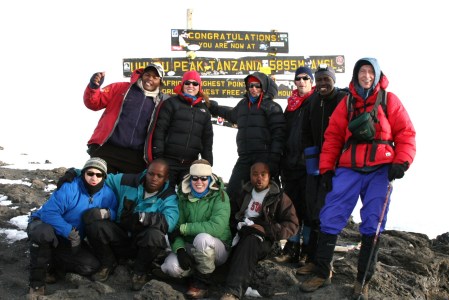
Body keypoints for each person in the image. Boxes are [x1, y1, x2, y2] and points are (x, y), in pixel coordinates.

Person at [299, 58, 416, 299]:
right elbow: (332, 137)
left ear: (377, 75)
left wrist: (402, 161)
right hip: (349, 167)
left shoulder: (389, 100)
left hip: (381, 169)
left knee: (373, 222)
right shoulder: (347, 102)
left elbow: (406, 132)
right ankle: (323, 272)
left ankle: (362, 280)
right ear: (355, 75)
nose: (366, 75)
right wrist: (327, 168)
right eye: (362, 71)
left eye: (370, 71)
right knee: (330, 215)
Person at [57, 159, 179, 291]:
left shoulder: (169, 196)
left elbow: (170, 222)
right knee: (95, 224)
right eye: (151, 174)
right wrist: (73, 172)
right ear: (146, 172)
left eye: (159, 176)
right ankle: (108, 263)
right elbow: (98, 174)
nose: (154, 178)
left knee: (155, 235)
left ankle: (140, 271)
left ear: (166, 178)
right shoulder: (127, 181)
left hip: (142, 243)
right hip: (120, 236)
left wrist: (143, 218)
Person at [26, 158, 117, 299]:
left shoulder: (107, 194)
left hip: (68, 237)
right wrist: (69, 231)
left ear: (104, 177)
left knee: (90, 266)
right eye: (90, 173)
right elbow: (49, 213)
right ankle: (37, 283)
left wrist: (107, 213)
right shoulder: (70, 187)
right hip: (45, 224)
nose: (94, 178)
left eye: (99, 175)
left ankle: (50, 261)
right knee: (43, 233)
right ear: (83, 173)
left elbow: (115, 211)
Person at [219, 162, 299, 300]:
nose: (259, 178)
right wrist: (238, 225)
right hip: (241, 231)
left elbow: (292, 224)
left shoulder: (278, 197)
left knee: (250, 242)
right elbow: (231, 215)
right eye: (255, 174)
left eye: (263, 174)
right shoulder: (244, 192)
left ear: (269, 176)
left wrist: (267, 229)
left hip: (263, 238)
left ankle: (233, 292)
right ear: (250, 175)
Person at [296, 65, 348, 276]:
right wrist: (310, 155)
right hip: (316, 164)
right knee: (312, 210)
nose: (323, 84)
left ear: (333, 80)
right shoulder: (313, 101)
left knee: (327, 212)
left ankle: (323, 263)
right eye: (320, 80)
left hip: (337, 165)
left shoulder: (343, 100)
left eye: (327, 79)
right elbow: (306, 130)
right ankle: (313, 258)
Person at [157, 159, 232, 299]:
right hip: (191, 246)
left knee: (202, 239)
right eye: (195, 178)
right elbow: (176, 229)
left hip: (217, 248)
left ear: (209, 178)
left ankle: (203, 282)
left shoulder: (220, 196)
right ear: (190, 178)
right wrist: (180, 250)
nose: (199, 182)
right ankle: (194, 273)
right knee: (170, 267)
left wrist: (185, 229)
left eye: (204, 178)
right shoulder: (183, 196)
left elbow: (216, 227)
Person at [209, 72, 286, 204]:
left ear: (264, 87)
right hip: (245, 157)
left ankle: (269, 223)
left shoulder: (272, 107)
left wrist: (273, 160)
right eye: (250, 86)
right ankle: (233, 222)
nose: (253, 89)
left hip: (264, 158)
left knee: (268, 195)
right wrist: (212, 107)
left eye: (257, 86)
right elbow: (231, 114)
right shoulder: (244, 104)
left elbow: (279, 135)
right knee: (233, 191)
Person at [84, 63, 169, 174]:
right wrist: (93, 87)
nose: (150, 79)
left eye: (155, 77)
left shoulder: (163, 102)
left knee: (130, 190)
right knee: (97, 186)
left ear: (160, 81)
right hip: (107, 149)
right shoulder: (121, 88)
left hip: (136, 156)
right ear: (142, 75)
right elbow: (94, 103)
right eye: (147, 75)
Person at [275, 66, 315, 265]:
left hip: (309, 166)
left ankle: (307, 250)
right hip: (290, 165)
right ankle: (291, 248)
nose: (301, 82)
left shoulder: (317, 102)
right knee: (292, 208)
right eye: (297, 78)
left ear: (312, 81)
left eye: (305, 78)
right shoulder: (290, 106)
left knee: (308, 209)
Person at [152, 70, 214, 191]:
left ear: (199, 87)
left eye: (195, 84)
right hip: (168, 161)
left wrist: (208, 163)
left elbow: (207, 140)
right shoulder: (171, 103)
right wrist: (158, 157)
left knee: (186, 197)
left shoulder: (204, 110)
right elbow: (160, 130)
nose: (191, 86)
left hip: (190, 164)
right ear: (182, 85)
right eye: (187, 83)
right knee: (164, 194)